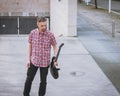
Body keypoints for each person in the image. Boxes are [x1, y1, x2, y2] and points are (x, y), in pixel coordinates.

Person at [23, 16, 58, 96]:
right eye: (42, 25)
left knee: (43, 82)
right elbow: (30, 47)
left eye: (45, 25)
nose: (44, 27)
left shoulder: (50, 35)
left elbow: (55, 46)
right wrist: (28, 59)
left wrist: (55, 58)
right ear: (37, 24)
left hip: (45, 63)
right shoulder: (32, 33)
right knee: (29, 80)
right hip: (34, 61)